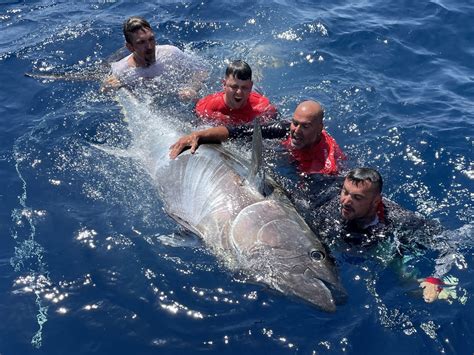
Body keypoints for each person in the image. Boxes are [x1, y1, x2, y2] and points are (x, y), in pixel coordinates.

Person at [305, 167, 464, 304]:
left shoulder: (400, 219)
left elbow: (449, 245)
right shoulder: (328, 211)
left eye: (357, 197)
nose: (346, 201)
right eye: (345, 192)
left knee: (408, 282)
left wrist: (435, 279)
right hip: (325, 196)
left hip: (380, 243)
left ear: (376, 202)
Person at [170, 100, 345, 175]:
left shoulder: (325, 166)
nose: (296, 131)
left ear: (319, 129)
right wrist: (198, 135)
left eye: (305, 126)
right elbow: (238, 132)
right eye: (295, 123)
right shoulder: (285, 129)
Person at [101, 16, 206, 99]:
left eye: (151, 39)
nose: (150, 46)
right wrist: (107, 88)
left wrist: (192, 88)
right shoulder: (121, 71)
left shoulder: (170, 53)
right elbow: (106, 94)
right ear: (130, 47)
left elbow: (202, 71)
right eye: (141, 42)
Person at [195, 60, 277, 125]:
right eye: (234, 87)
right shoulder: (206, 108)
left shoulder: (263, 108)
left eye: (244, 87)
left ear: (250, 86)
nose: (239, 92)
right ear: (224, 84)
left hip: (255, 93)